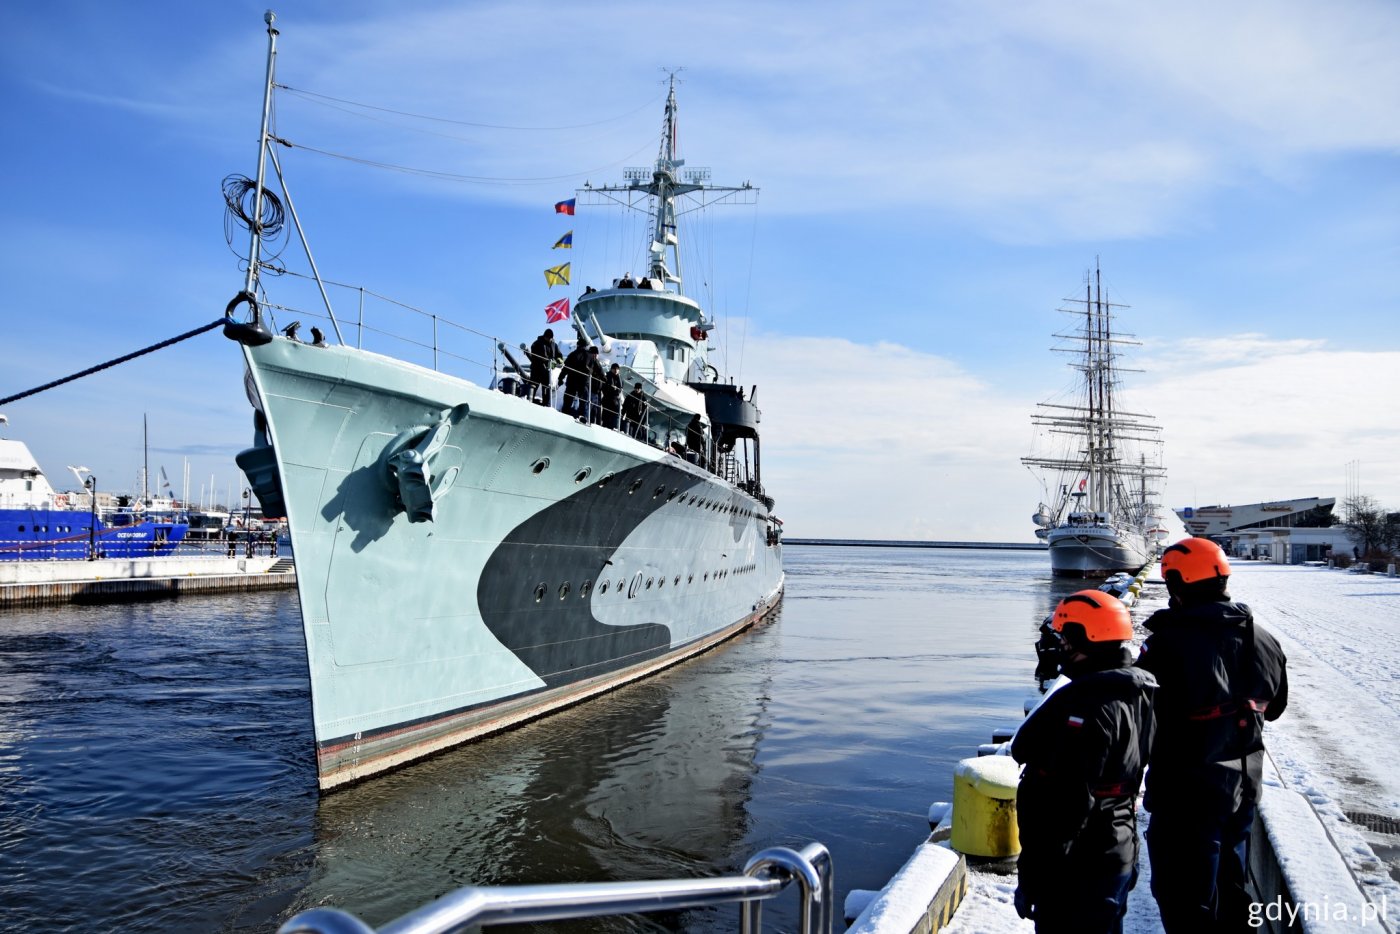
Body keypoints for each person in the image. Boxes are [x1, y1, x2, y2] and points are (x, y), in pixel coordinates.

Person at [1136, 537, 1288, 932]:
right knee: (1232, 897)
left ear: (1176, 584)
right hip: (1242, 791)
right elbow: (1276, 708)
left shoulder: (1167, 644)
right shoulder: (1265, 640)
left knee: (1185, 901)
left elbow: (1139, 721)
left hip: (1185, 795)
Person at [1012, 589, 1157, 933]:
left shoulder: (1085, 708)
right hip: (1117, 847)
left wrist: (1034, 876)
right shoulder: (1139, 691)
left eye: (1063, 639)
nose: (1056, 647)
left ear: (1084, 640)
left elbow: (1066, 805)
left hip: (1078, 866)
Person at [561, 345, 603, 420]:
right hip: (584, 382)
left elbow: (566, 367)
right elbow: (600, 370)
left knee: (568, 399)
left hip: (572, 381)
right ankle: (582, 416)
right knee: (584, 400)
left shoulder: (573, 354)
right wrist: (604, 378)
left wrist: (560, 378)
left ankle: (565, 413)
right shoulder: (590, 356)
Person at [528, 329, 562, 406]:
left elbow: (559, 355)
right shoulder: (537, 343)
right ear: (544, 336)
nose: (549, 339)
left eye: (551, 338)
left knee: (546, 389)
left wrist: (559, 360)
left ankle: (546, 404)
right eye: (548, 338)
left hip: (547, 371)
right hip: (537, 370)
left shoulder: (554, 345)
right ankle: (529, 401)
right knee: (533, 386)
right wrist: (543, 360)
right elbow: (534, 355)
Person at [600, 363, 623, 430]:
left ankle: (615, 427)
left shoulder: (620, 379)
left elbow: (620, 388)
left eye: (617, 369)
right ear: (611, 369)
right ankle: (605, 427)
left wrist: (616, 390)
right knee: (606, 416)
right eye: (614, 369)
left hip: (615, 400)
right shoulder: (607, 376)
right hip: (608, 399)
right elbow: (604, 388)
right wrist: (611, 388)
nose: (616, 370)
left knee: (615, 416)